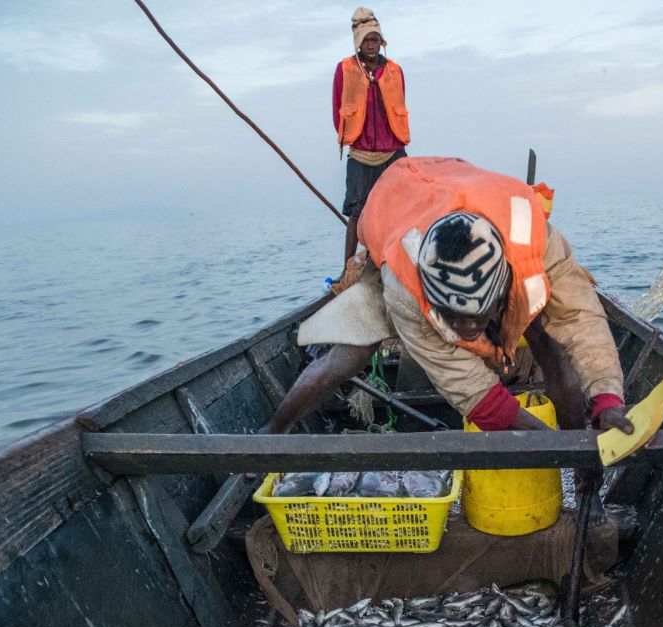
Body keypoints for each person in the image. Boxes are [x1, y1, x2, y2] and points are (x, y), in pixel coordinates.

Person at [264, 156, 635, 439]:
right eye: (451, 317)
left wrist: (607, 399)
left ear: (502, 288)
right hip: (397, 207)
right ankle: (272, 433)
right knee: (351, 354)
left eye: (475, 317)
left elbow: (580, 320)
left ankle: (583, 467)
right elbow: (474, 394)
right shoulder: (404, 288)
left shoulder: (540, 245)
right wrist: (549, 444)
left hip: (453, 184)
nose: (464, 330)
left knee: (547, 340)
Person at [333, 7, 408, 269]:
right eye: (366, 40)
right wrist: (356, 138)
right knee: (356, 212)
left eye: (375, 39)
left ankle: (396, 264)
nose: (371, 45)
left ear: (381, 41)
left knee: (402, 209)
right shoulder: (345, 69)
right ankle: (349, 269)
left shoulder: (394, 71)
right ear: (358, 43)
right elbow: (337, 110)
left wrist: (391, 142)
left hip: (393, 151)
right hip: (361, 154)